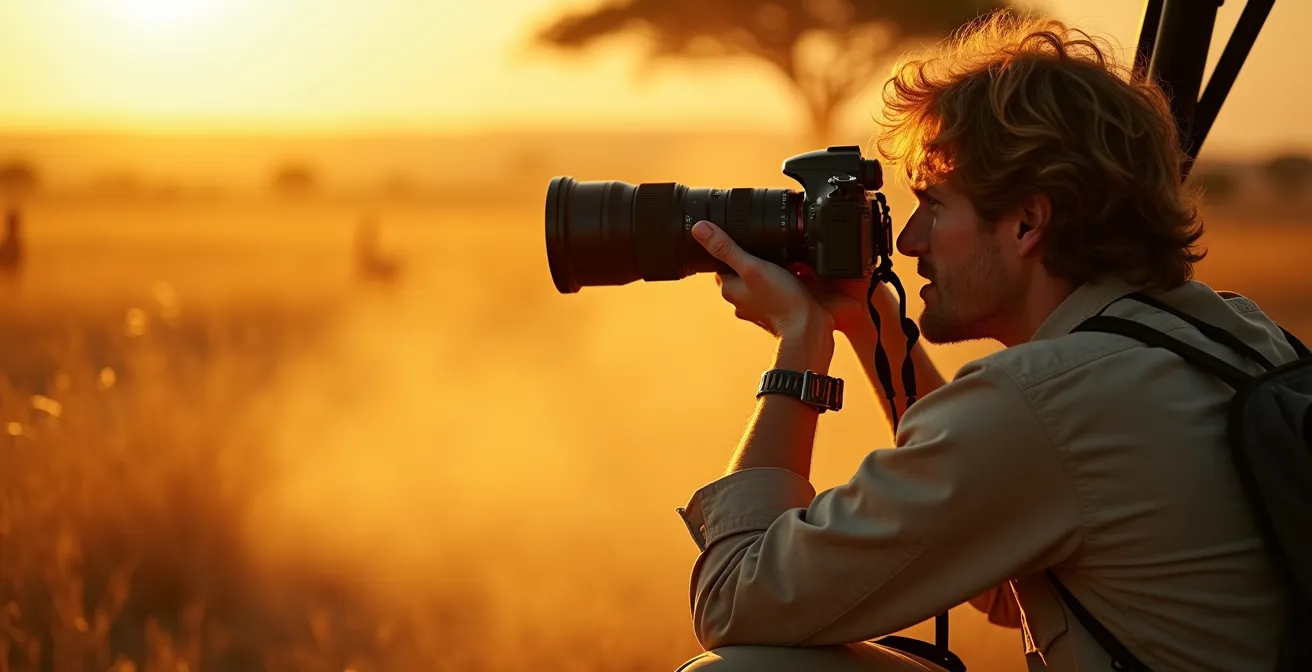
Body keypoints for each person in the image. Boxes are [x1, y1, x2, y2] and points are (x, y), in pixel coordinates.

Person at [672, 12, 1297, 672]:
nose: (909, 241)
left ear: (1028, 221)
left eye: (934, 204)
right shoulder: (1232, 332)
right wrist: (870, 323)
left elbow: (737, 602)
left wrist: (800, 344)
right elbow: (1011, 576)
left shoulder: (1044, 402)